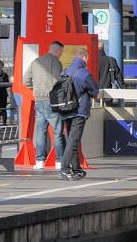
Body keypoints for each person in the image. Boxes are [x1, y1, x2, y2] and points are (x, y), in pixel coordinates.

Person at [22, 40, 66, 170]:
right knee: (57, 132)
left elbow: (25, 80)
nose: (61, 55)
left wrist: (34, 89)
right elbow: (58, 82)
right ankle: (59, 161)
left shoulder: (36, 62)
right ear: (57, 50)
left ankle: (39, 161)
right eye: (61, 52)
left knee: (40, 132)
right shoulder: (56, 62)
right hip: (51, 101)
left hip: (39, 100)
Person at [59, 46, 99, 181]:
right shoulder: (84, 73)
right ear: (84, 57)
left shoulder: (65, 71)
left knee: (72, 139)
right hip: (79, 111)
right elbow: (94, 91)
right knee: (73, 141)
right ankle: (64, 169)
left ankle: (76, 169)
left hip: (66, 110)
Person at [97, 41, 124, 105]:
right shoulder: (111, 60)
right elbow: (119, 77)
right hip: (109, 95)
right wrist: (124, 89)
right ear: (103, 48)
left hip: (95, 96)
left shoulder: (91, 61)